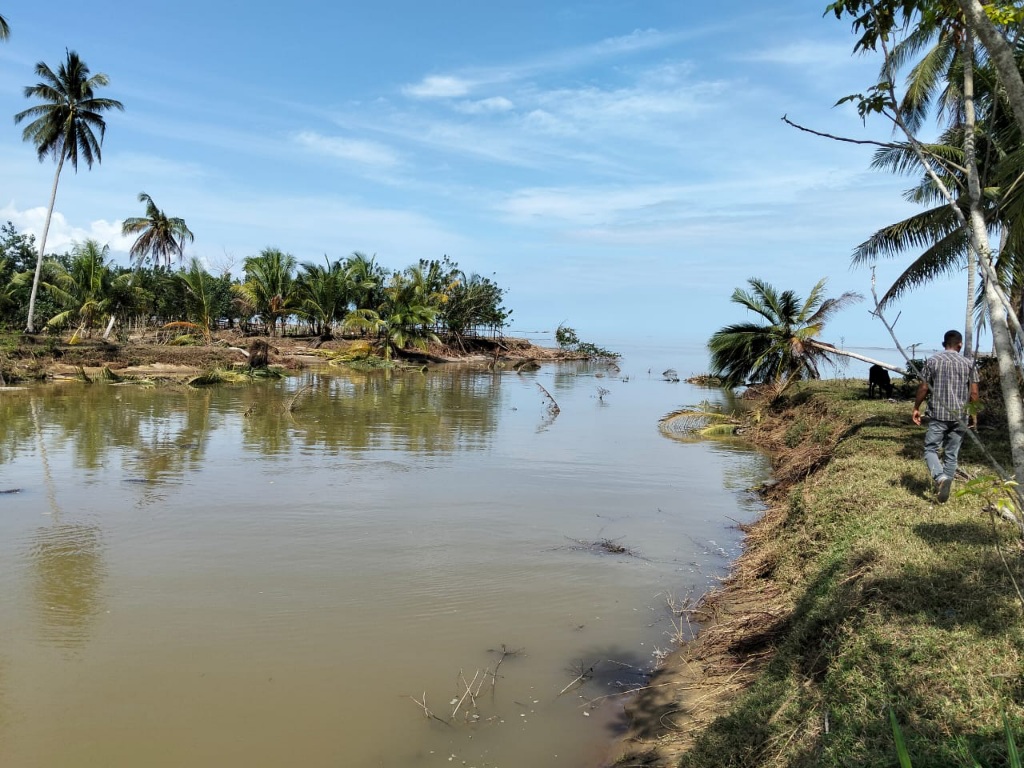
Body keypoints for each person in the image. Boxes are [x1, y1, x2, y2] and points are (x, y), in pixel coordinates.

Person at [911, 330, 979, 502]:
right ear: (960, 344)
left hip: (938, 414)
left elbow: (924, 387)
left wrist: (916, 407)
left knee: (930, 449)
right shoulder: (969, 363)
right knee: (951, 453)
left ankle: (940, 479)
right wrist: (973, 414)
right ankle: (945, 489)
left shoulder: (933, 361)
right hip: (960, 415)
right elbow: (974, 393)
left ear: (944, 344)